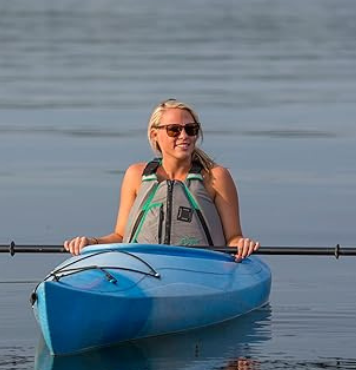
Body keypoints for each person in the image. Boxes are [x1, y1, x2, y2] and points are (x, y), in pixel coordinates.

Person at [64, 99, 260, 261]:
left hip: (201, 267)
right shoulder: (135, 175)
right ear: (154, 134)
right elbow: (120, 236)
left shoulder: (216, 177)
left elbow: (233, 237)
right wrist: (91, 242)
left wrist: (242, 244)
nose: (184, 136)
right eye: (174, 130)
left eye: (191, 129)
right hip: (141, 267)